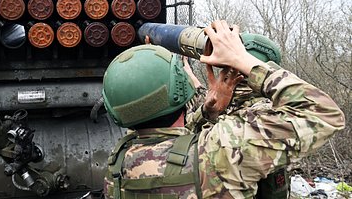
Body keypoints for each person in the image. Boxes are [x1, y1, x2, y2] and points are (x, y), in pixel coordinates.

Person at [102, 20, 345, 199]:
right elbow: (324, 113)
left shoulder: (117, 164)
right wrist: (242, 60)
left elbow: (178, 141)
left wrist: (209, 112)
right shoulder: (221, 149)